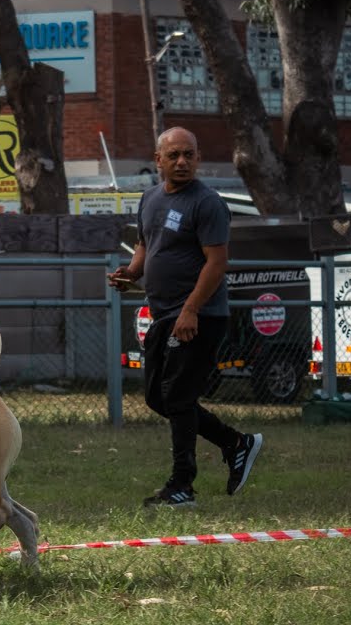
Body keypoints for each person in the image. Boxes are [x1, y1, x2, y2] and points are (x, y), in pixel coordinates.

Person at [107, 127, 262, 508]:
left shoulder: (206, 203)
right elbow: (147, 245)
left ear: (198, 158)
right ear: (158, 160)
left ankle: (181, 486)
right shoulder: (150, 199)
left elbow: (217, 262)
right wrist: (131, 273)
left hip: (198, 315)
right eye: (173, 155)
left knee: (177, 395)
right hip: (163, 314)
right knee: (158, 399)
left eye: (189, 155)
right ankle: (235, 442)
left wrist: (191, 309)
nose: (182, 162)